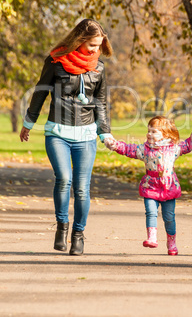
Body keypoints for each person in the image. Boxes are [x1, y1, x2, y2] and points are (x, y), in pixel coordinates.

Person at [19, 19, 113, 256]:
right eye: (91, 44)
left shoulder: (99, 68)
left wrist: (105, 132)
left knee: (82, 188)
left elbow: (101, 102)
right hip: (57, 133)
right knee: (64, 179)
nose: (95, 50)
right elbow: (40, 93)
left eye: (98, 45)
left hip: (86, 135)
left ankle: (78, 235)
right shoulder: (56, 61)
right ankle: (62, 226)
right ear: (79, 40)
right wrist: (29, 123)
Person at [104, 116, 192, 256]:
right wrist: (114, 145)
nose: (149, 134)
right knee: (151, 212)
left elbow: (187, 146)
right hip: (150, 186)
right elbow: (128, 149)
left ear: (166, 134)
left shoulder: (173, 148)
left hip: (168, 187)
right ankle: (152, 238)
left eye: (154, 131)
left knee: (169, 217)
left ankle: (171, 241)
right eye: (148, 131)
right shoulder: (144, 149)